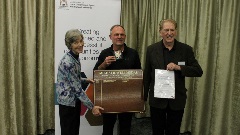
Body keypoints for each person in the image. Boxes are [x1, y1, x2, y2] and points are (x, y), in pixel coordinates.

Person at [143, 19, 203, 135]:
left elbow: (198, 71)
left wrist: (178, 67)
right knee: (157, 131)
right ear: (160, 32)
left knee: (173, 132)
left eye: (172, 30)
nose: (169, 33)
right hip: (157, 100)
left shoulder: (186, 49)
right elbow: (147, 75)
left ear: (176, 32)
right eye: (166, 30)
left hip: (177, 100)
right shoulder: (151, 49)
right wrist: (143, 98)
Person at [93, 25, 141, 135]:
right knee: (107, 129)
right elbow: (96, 73)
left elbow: (139, 76)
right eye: (116, 34)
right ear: (110, 37)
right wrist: (104, 64)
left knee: (126, 128)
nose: (119, 37)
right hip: (109, 99)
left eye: (122, 34)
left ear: (125, 36)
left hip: (127, 98)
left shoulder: (133, 53)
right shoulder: (105, 53)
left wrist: (137, 100)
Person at [56, 29, 104, 135]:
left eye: (81, 41)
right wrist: (92, 107)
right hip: (68, 104)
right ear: (70, 45)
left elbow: (72, 78)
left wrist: (86, 79)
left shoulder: (75, 56)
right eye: (76, 42)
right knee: (69, 132)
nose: (80, 44)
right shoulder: (68, 62)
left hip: (74, 101)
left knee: (74, 131)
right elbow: (77, 89)